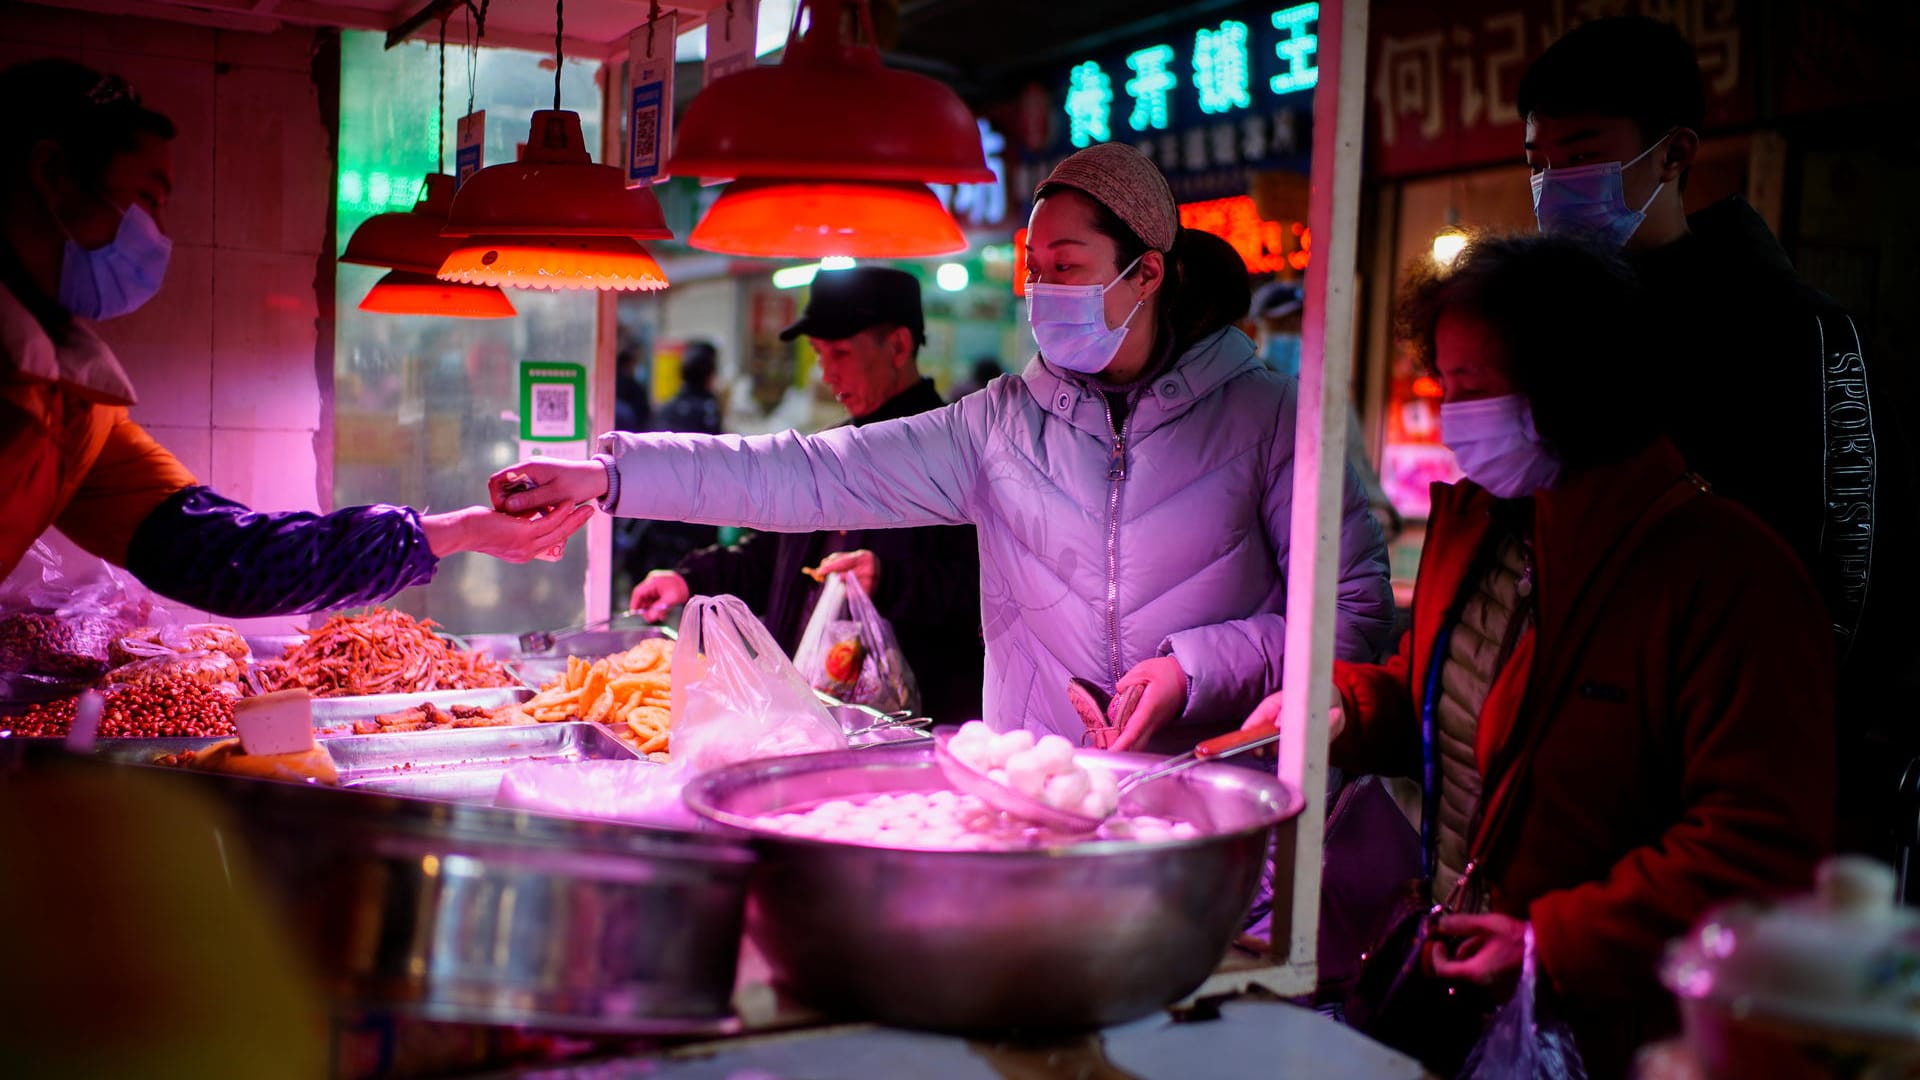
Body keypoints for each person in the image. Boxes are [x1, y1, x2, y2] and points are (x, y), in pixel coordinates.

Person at [501, 143, 1394, 750]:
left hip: (1212, 807)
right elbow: (805, 476)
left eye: (1070, 267)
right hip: (1040, 799)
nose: (1043, 291)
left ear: (1147, 272)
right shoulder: (999, 424)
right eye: (1034, 268)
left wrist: (1192, 671)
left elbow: (1352, 619)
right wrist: (611, 474)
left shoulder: (1276, 417)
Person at [1246, 235, 1834, 1076]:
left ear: (1576, 382)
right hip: (1463, 991)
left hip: (1624, 1032)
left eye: (1473, 390)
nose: (1452, 416)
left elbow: (1760, 846)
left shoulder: (1728, 577)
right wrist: (1345, 709)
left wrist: (1549, 941)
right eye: (1443, 386)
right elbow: (1438, 699)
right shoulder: (1479, 528)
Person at [1518, 16, 1915, 855]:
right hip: (1572, 782)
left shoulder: (1804, 336)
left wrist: (1770, 752)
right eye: (1537, 163)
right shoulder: (1549, 339)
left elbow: (1853, 575)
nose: (1555, 185)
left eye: (1583, 154)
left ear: (1675, 154)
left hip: (1727, 786)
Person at [0, 60, 586, 612]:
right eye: (147, 199)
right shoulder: (43, 386)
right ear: (51, 173)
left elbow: (227, 556)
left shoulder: (70, 405)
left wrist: (454, 532)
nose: (159, 234)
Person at [629, 268, 984, 723]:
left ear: (897, 346)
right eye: (819, 353)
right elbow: (772, 557)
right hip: (807, 718)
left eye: (840, 353)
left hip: (910, 729)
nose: (825, 372)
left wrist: (889, 580)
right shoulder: (829, 452)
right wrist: (688, 579)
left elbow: (980, 590)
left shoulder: (954, 454)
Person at [622, 342, 724, 582]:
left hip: (662, 510)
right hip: (698, 513)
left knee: (661, 579)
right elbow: (716, 460)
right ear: (710, 375)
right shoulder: (708, 410)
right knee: (692, 577)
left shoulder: (667, 407)